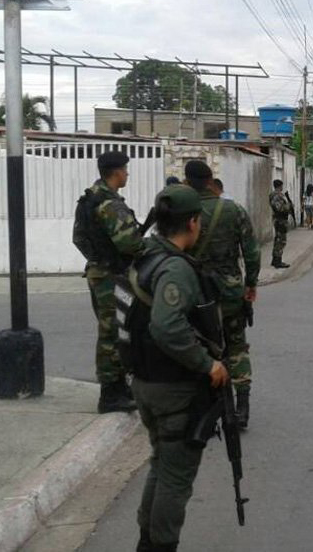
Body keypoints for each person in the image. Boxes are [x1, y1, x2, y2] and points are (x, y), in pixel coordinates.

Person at [125, 184, 229, 552]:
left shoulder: (149, 253)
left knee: (161, 463)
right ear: (193, 222)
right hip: (173, 388)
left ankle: (147, 541)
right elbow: (167, 325)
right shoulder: (176, 268)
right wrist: (208, 364)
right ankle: (160, 544)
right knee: (176, 475)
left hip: (147, 381)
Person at [185, 161, 260, 429]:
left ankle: (203, 407)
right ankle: (242, 408)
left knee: (196, 347)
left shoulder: (183, 211)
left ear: (187, 181)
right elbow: (251, 251)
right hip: (229, 291)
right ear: (210, 180)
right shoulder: (233, 210)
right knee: (236, 345)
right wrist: (251, 284)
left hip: (192, 293)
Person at [72, 150, 143, 413]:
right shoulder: (110, 204)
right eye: (125, 169)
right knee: (112, 333)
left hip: (99, 271)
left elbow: (78, 238)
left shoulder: (89, 199)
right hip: (111, 275)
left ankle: (118, 387)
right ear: (116, 172)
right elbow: (129, 244)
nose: (127, 174)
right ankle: (110, 394)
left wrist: (97, 257)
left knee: (113, 331)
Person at [269, 180, 292, 269]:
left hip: (280, 219)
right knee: (281, 240)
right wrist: (288, 206)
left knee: (278, 239)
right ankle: (277, 261)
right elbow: (280, 208)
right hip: (280, 220)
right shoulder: (276, 196)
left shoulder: (276, 195)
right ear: (279, 186)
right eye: (282, 186)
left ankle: (275, 260)